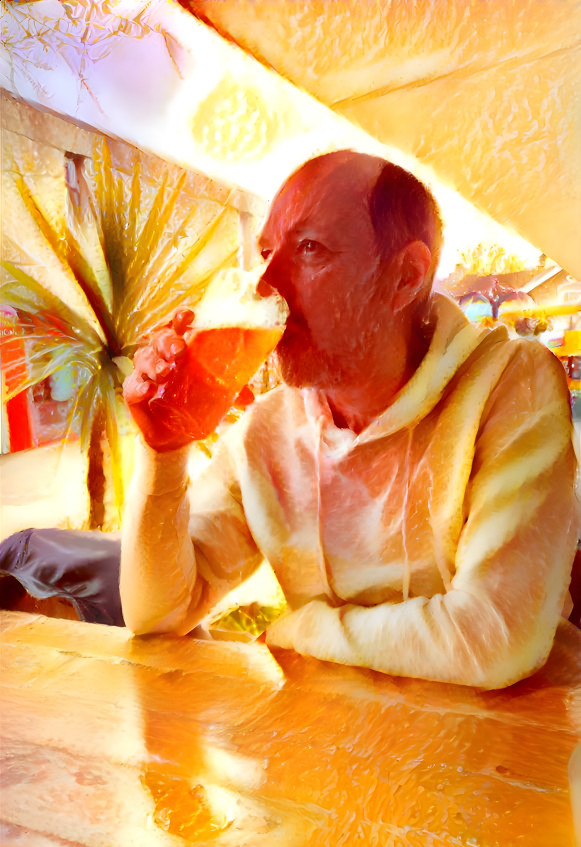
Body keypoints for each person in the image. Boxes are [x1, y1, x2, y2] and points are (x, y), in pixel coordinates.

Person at [121, 150, 578, 689]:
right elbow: (157, 614)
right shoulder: (268, 431)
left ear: (406, 277)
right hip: (331, 748)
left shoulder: (507, 385)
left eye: (309, 249)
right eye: (265, 252)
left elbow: (496, 638)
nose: (267, 284)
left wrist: (304, 630)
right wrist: (164, 451)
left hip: (509, 751)